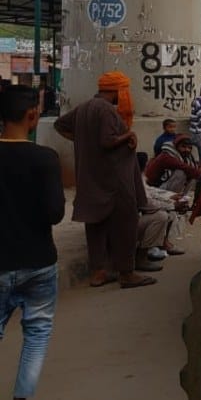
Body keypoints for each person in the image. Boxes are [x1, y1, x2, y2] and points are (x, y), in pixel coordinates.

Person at [53, 71, 157, 289]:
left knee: (96, 225)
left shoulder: (84, 107)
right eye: (124, 90)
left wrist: (82, 140)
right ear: (117, 90)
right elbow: (107, 141)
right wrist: (129, 135)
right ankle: (126, 273)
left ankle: (98, 272)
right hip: (114, 179)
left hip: (91, 177)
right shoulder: (106, 110)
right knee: (126, 223)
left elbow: (60, 125)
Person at [0, 85, 65, 399]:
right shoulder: (45, 159)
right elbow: (55, 214)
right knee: (37, 336)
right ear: (32, 115)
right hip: (39, 263)